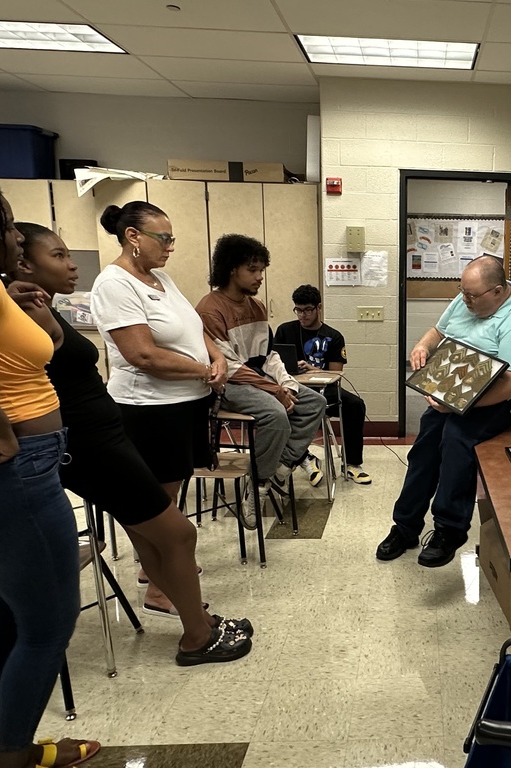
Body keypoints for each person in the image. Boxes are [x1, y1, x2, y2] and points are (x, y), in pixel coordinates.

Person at [12, 221, 252, 666]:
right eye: (60, 256)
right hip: (91, 442)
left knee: (155, 532)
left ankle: (194, 616)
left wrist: (214, 358)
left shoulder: (37, 304)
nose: (72, 264)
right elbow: (139, 355)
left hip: (104, 434)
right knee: (177, 533)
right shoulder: (20, 305)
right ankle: (197, 636)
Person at [0, 163, 99, 768]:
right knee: (47, 625)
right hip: (8, 474)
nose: (18, 238)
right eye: (10, 225)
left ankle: (10, 748)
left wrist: (14, 308)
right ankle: (12, 761)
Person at [90, 202, 251, 662]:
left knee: (170, 496)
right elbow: (142, 354)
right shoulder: (114, 283)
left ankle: (158, 576)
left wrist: (216, 358)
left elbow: (195, 327)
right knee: (156, 508)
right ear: (132, 237)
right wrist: (204, 369)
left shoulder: (162, 279)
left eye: (172, 238)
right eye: (163, 238)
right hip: (147, 410)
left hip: (185, 405)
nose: (170, 247)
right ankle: (160, 585)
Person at [376, 255, 511, 567]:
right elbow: (436, 332)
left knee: (456, 439)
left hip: (497, 399)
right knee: (424, 449)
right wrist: (422, 347)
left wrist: (459, 404)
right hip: (454, 388)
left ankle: (449, 530)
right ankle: (405, 527)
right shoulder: (465, 300)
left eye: (471, 295)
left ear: (497, 291)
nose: (464, 299)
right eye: (462, 291)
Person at [195, 234, 327, 526]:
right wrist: (275, 391)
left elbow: (269, 355)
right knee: (276, 415)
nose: (259, 277)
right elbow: (229, 366)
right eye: (252, 270)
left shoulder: (255, 307)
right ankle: (258, 486)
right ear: (232, 269)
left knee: (315, 401)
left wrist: (288, 386)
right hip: (228, 385)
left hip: (258, 379)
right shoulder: (209, 309)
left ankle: (281, 466)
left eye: (261, 270)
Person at [274, 284, 371, 484]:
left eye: (308, 310)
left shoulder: (333, 336)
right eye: (298, 310)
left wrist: (312, 368)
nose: (303, 315)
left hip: (325, 389)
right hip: (293, 387)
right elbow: (274, 363)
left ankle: (351, 462)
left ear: (319, 307)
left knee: (355, 405)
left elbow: (336, 373)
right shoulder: (284, 330)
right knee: (280, 407)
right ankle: (303, 457)